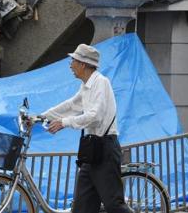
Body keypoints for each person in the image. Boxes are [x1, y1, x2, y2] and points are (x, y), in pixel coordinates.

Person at [42, 44, 132, 213]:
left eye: (73, 60)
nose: (70, 64)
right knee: (82, 207)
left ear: (83, 64)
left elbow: (94, 116)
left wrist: (64, 122)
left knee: (114, 205)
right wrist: (42, 116)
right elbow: (71, 105)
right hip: (92, 152)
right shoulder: (86, 86)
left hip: (105, 149)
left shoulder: (101, 83)